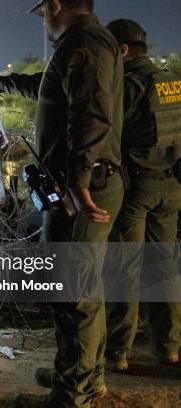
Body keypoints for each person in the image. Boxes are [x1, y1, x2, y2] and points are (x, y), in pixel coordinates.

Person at [0, 1, 124, 407]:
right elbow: (47, 87)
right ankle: (83, 376)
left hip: (82, 190)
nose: (45, 23)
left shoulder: (84, 44)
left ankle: (73, 395)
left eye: (44, 14)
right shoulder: (86, 43)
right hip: (83, 185)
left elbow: (92, 115)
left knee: (74, 292)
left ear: (56, 6)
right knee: (83, 289)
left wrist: (79, 180)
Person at [104, 19, 181, 371]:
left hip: (137, 187)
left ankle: (118, 352)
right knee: (164, 268)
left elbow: (106, 134)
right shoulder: (172, 81)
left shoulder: (128, 85)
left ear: (122, 51)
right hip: (172, 186)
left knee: (125, 269)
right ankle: (168, 347)